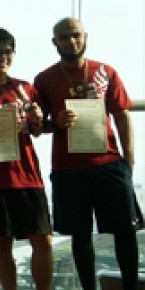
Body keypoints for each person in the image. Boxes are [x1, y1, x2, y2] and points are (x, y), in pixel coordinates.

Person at [34, 17, 142, 290]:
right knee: (80, 237)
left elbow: (122, 115)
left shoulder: (105, 71)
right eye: (64, 37)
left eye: (76, 35)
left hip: (109, 163)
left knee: (125, 231)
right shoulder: (44, 79)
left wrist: (128, 162)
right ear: (54, 42)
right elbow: (37, 127)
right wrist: (55, 122)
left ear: (85, 36)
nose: (71, 41)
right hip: (68, 169)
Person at [0, 28, 52, 290]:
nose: (2, 57)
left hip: (27, 176)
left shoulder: (25, 89)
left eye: (7, 51)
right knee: (2, 243)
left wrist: (37, 119)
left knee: (43, 240)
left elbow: (37, 130)